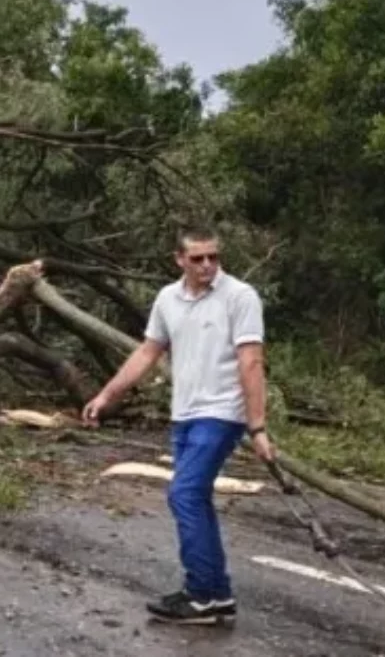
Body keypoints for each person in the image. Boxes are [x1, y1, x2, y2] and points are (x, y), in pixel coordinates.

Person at [82, 226, 274, 625]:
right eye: (198, 258)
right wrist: (106, 395)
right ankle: (216, 595)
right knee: (194, 497)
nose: (207, 265)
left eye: (214, 257)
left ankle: (201, 594)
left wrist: (257, 427)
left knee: (183, 494)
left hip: (221, 413)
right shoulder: (168, 298)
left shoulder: (240, 297)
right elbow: (148, 352)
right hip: (184, 413)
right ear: (179, 259)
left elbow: (251, 361)